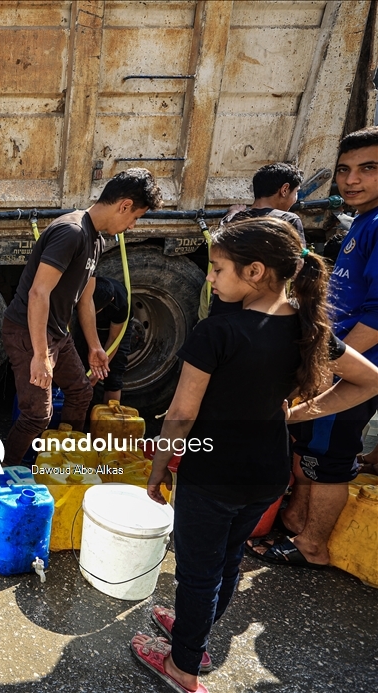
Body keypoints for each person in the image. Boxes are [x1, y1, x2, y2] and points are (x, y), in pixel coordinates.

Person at [133, 217, 378, 693]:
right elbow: (369, 379)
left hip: (213, 473)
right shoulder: (309, 327)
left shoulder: (217, 331)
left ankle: (184, 665)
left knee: (198, 574)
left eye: (218, 269)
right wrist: (297, 415)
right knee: (226, 563)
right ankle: (193, 631)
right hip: (267, 473)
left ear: (255, 272)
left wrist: (158, 467)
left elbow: (181, 413)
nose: (210, 278)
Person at [251, 126, 378, 568]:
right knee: (309, 447)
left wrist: (329, 368)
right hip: (334, 360)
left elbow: (376, 318)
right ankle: (297, 524)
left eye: (367, 169)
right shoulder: (364, 220)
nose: (351, 179)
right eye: (344, 170)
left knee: (330, 456)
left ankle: (313, 546)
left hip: (354, 369)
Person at [2, 168, 161, 465]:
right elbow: (38, 293)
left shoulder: (96, 239)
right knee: (38, 414)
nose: (133, 225)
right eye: (136, 216)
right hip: (27, 330)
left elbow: (84, 298)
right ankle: (1, 477)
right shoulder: (72, 232)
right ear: (124, 205)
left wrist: (94, 347)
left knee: (80, 392)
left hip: (57, 333)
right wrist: (39, 354)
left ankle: (64, 461)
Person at [202, 163, 306, 319]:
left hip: (224, 311)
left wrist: (232, 212)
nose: (295, 199)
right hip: (261, 314)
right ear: (284, 190)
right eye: (296, 192)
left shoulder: (234, 219)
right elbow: (298, 268)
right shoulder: (287, 221)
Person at [71, 276, 134, 404]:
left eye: (95, 311)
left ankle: (109, 416)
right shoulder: (80, 292)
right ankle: (80, 413)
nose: (91, 313)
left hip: (116, 329)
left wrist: (99, 370)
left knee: (113, 372)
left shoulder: (119, 304)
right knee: (80, 366)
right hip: (85, 326)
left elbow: (114, 339)